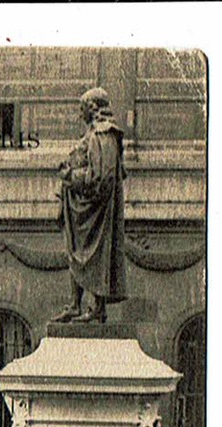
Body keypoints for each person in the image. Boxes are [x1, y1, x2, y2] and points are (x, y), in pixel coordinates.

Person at [53, 86, 127, 324]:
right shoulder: (94, 134)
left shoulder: (103, 135)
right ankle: (76, 305)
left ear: (92, 108)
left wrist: (70, 176)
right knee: (76, 254)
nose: (79, 114)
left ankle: (97, 308)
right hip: (81, 207)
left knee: (94, 255)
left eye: (81, 108)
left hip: (94, 211)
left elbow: (101, 178)